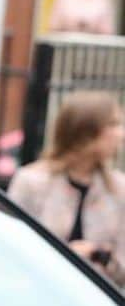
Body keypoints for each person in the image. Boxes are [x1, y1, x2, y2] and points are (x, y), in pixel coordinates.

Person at [8, 91, 125, 285]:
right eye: (113, 124)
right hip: (37, 293)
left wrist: (101, 258)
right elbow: (11, 249)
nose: (121, 134)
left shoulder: (119, 189)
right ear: (86, 132)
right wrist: (67, 255)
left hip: (95, 303)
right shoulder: (31, 182)